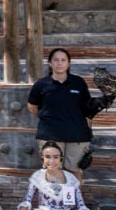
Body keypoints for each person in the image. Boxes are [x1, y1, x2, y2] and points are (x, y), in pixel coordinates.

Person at [27, 48, 99, 176]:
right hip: (50, 135)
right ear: (50, 63)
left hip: (77, 135)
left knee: (74, 172)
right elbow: (32, 106)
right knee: (52, 172)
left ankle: (74, 196)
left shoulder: (78, 83)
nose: (59, 63)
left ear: (68, 63)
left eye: (63, 60)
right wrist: (48, 118)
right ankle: (53, 197)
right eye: (56, 60)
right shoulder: (41, 84)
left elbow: (86, 107)